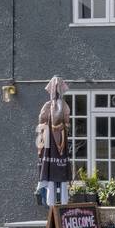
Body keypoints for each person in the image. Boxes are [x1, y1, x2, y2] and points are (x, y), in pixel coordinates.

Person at [36, 75, 74, 208]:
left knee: (61, 178)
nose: (57, 92)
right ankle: (51, 203)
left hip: (60, 143)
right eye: (55, 88)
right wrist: (41, 144)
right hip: (50, 144)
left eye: (59, 89)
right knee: (51, 176)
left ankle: (63, 203)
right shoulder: (47, 106)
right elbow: (41, 126)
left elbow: (66, 123)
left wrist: (61, 128)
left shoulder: (63, 105)